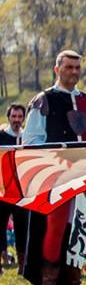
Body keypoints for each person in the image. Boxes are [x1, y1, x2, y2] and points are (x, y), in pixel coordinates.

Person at [22, 50, 86, 285]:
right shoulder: (44, 100)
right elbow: (31, 140)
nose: (73, 72)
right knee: (55, 227)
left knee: (82, 227)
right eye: (68, 67)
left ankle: (74, 282)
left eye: (76, 68)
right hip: (56, 177)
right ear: (57, 69)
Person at [0, 104, 29, 275]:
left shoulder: (27, 137)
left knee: (23, 227)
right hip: (3, 189)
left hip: (21, 190)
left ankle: (22, 264)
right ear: (8, 117)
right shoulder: (1, 136)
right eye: (14, 116)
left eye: (19, 116)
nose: (17, 120)